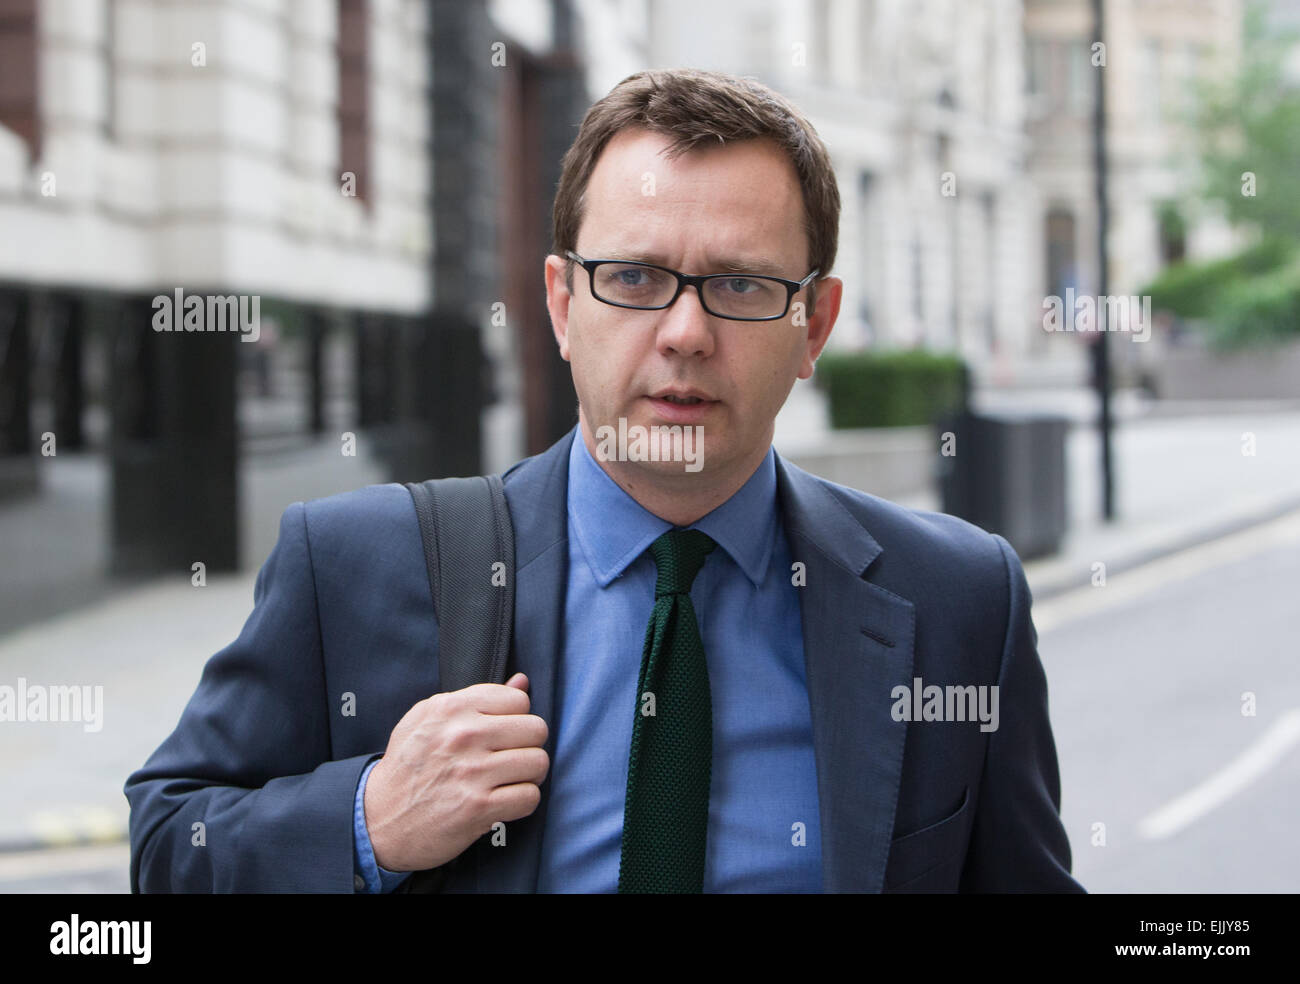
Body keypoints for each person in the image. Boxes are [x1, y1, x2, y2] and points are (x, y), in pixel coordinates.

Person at [125, 68, 1083, 893]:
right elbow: (172, 841)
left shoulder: (959, 602)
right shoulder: (354, 564)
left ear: (815, 326)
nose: (684, 332)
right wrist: (366, 822)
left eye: (742, 286)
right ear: (561, 303)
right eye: (633, 277)